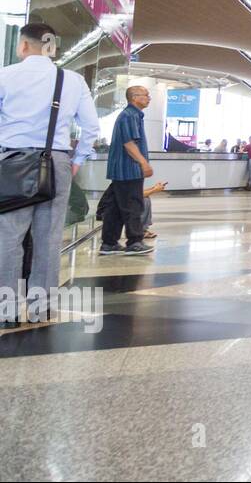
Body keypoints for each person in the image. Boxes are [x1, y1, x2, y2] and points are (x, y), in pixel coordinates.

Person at [0, 23, 100, 323]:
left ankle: (5, 311)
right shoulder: (72, 81)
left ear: (24, 46)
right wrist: (77, 159)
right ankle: (39, 310)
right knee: (48, 239)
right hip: (56, 163)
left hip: (11, 163)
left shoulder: (5, 75)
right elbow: (91, 127)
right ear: (52, 47)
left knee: (7, 238)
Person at [100, 85, 155, 255]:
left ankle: (109, 243)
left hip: (123, 170)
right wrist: (143, 164)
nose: (149, 98)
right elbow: (129, 143)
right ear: (134, 97)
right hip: (128, 170)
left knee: (115, 207)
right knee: (133, 205)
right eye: (146, 95)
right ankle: (134, 242)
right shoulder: (129, 116)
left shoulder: (133, 116)